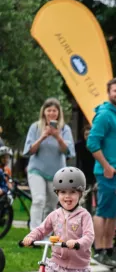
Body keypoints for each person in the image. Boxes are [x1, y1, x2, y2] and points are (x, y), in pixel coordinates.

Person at [20, 166, 116, 272]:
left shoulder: (84, 215)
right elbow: (42, 229)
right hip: (57, 261)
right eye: (63, 192)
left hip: (78, 265)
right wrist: (31, 237)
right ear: (57, 193)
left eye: (72, 192)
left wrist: (78, 242)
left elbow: (89, 236)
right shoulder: (55, 215)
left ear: (80, 194)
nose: (67, 196)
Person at [87, 78, 116, 266]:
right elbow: (92, 143)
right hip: (108, 172)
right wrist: (106, 166)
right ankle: (98, 251)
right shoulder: (104, 114)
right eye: (115, 91)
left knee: (114, 213)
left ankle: (109, 250)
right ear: (109, 92)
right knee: (103, 211)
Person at [24, 98, 75, 229]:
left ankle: (45, 236)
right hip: (36, 170)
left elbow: (68, 152)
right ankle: (33, 234)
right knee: (39, 200)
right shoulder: (35, 127)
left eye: (54, 110)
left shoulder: (65, 129)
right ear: (44, 112)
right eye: (49, 110)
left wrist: (58, 137)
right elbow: (29, 151)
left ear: (59, 113)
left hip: (57, 173)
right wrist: (43, 136)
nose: (52, 113)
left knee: (52, 205)